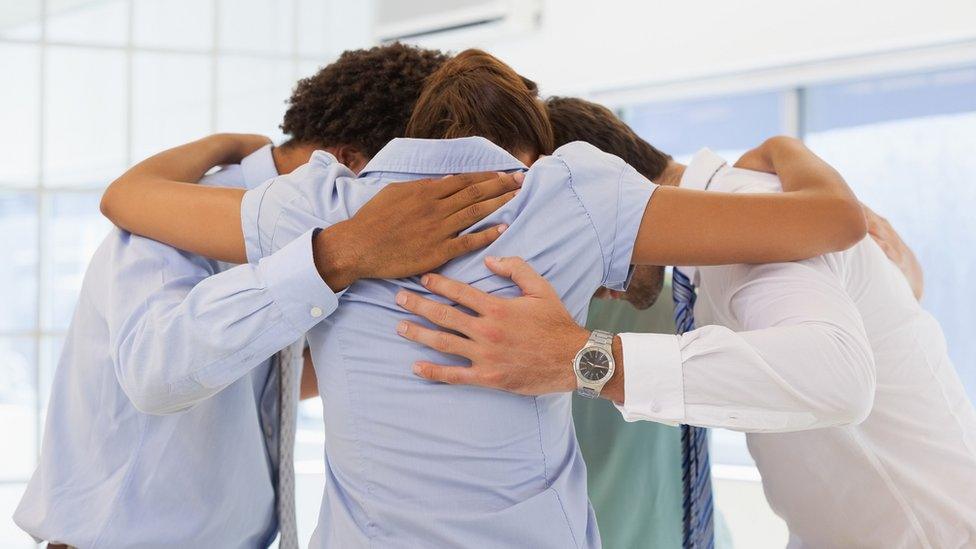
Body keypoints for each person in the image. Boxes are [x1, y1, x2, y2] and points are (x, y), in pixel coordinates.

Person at [99, 49, 866, 547]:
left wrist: (238, 149)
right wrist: (786, 153)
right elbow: (830, 222)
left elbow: (130, 198)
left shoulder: (325, 204)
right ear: (531, 151)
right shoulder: (571, 193)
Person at [397, 97, 976, 547]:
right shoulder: (722, 243)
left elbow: (840, 378)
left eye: (568, 242)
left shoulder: (756, 222)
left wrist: (580, 359)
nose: (588, 285)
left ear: (605, 186)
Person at [14, 44, 526, 549]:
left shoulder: (314, 236)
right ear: (348, 162)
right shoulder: (174, 217)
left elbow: (258, 377)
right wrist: (336, 257)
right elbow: (156, 372)